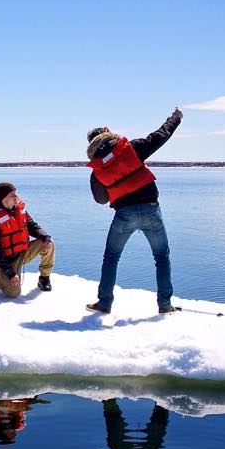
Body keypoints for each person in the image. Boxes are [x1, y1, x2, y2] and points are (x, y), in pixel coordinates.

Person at [85, 108, 183, 315]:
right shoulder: (131, 148)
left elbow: (101, 200)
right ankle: (165, 305)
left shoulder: (97, 170)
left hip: (124, 215)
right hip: (151, 210)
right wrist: (175, 118)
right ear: (108, 134)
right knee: (161, 257)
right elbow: (161, 135)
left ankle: (104, 303)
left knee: (111, 258)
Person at [0, 182, 54, 297]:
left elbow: (32, 226)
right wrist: (10, 273)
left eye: (15, 194)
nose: (16, 197)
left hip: (23, 252)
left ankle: (44, 279)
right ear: (3, 198)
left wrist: (45, 237)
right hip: (7, 261)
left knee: (48, 243)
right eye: (12, 195)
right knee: (13, 293)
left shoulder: (19, 209)